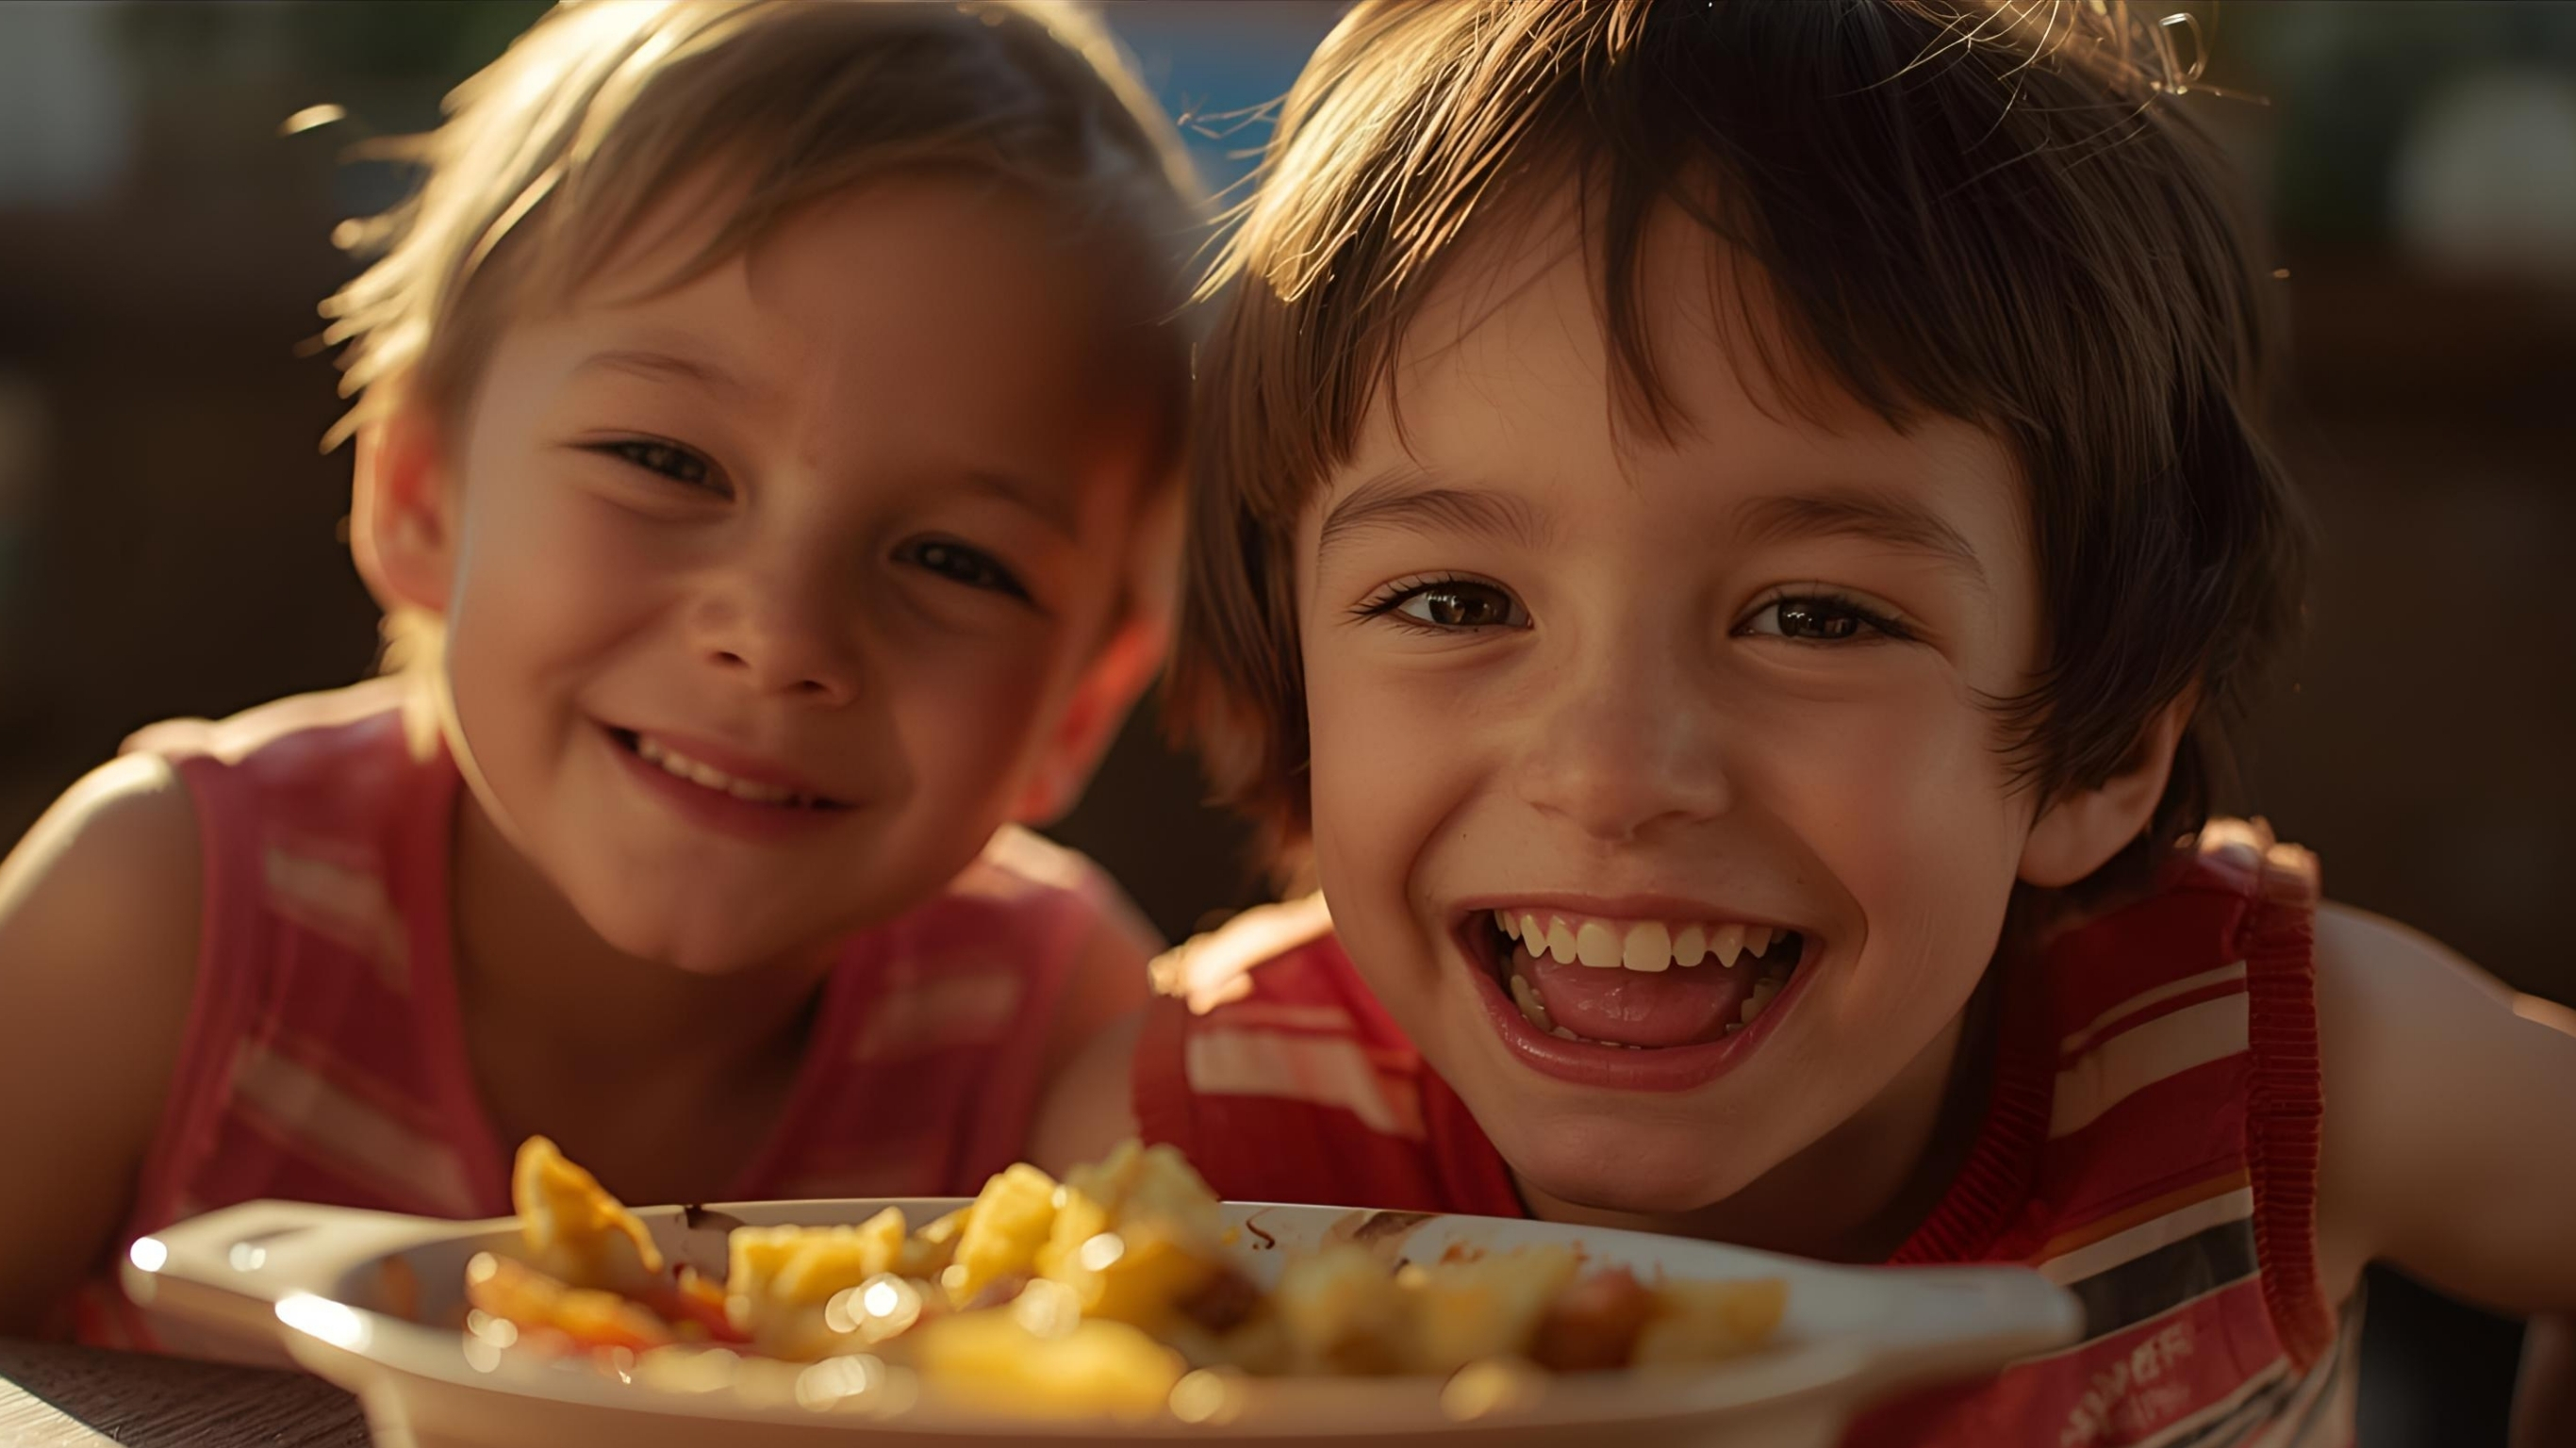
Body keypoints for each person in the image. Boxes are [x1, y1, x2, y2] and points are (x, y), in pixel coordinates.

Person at [1036, 2, 2576, 1441]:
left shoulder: (2281, 1078)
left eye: (1816, 618)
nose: (1612, 774)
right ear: (1290, 674)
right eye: (1455, 601)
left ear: (2099, 746)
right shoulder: (1184, 1173)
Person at [0, 0, 1198, 1347]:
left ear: (1081, 705)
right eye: (667, 463)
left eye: (955, 560)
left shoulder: (1064, 1041)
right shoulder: (165, 915)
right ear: (421, 491)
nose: (779, 635)